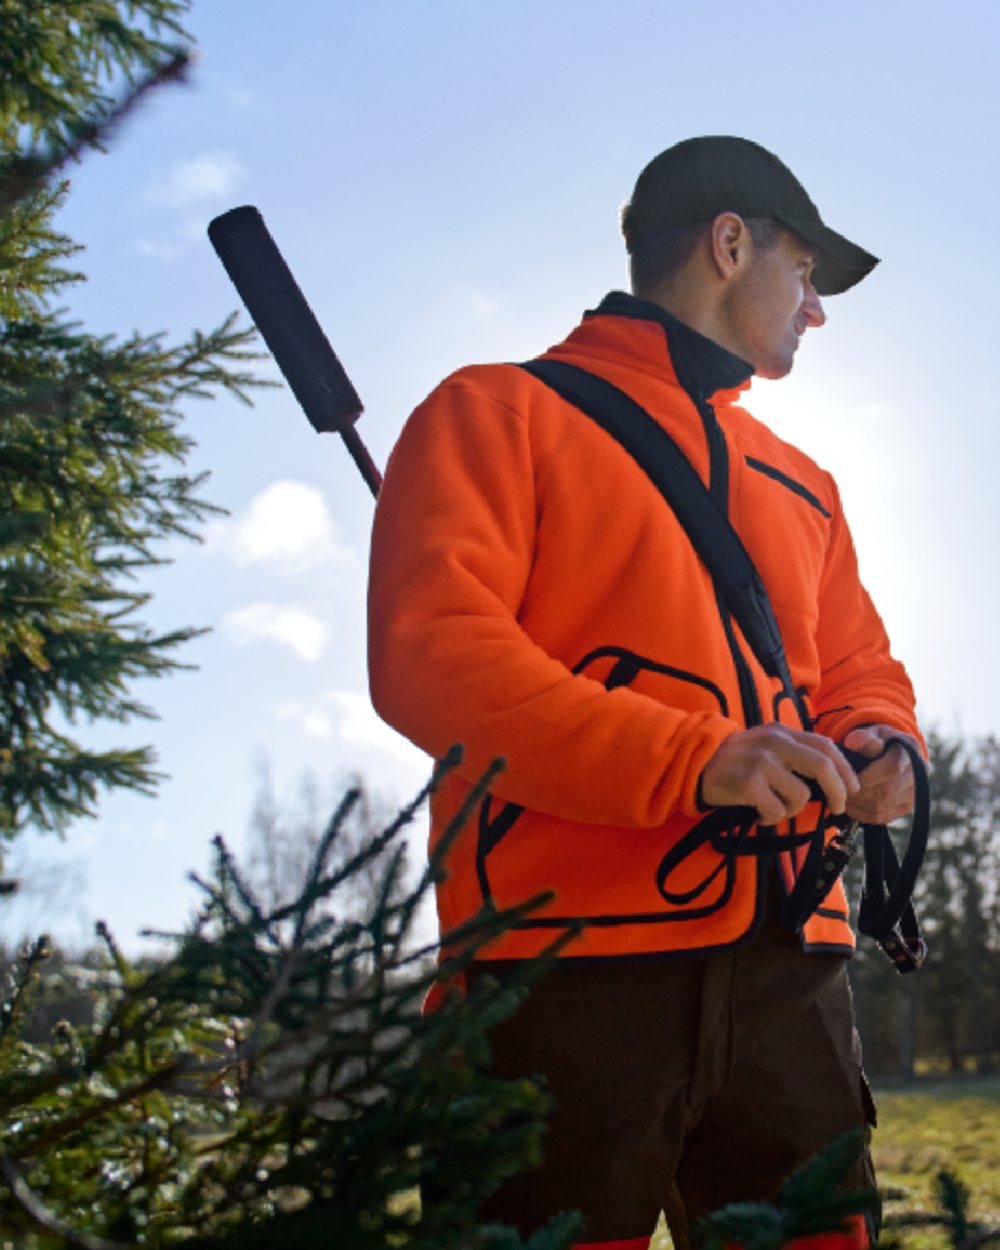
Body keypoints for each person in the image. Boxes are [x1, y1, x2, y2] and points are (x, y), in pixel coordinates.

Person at [367, 136, 923, 1250]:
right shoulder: (496, 412)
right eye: (805, 272)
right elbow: (433, 651)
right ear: (729, 243)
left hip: (791, 967)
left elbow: (859, 666)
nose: (815, 310)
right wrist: (692, 759)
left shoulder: (804, 481)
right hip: (556, 975)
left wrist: (880, 740)